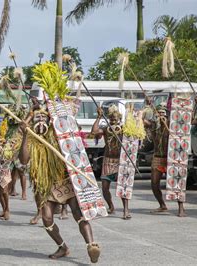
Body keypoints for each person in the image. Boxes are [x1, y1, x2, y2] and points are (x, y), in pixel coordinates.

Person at [19, 101, 100, 263]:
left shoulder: (58, 135)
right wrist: (25, 134)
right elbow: (24, 160)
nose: (40, 120)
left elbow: (73, 146)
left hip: (65, 180)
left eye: (44, 117)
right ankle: (62, 247)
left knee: (78, 214)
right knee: (47, 219)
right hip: (45, 184)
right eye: (37, 117)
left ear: (49, 120)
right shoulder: (30, 140)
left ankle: (92, 245)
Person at [144, 102, 186, 217]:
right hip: (158, 157)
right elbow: (143, 122)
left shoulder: (173, 125)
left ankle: (181, 208)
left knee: (177, 183)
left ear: (167, 115)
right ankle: (162, 205)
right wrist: (144, 111)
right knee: (154, 183)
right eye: (159, 114)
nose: (161, 116)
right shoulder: (154, 126)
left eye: (163, 113)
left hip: (172, 157)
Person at [91, 105, 123, 215]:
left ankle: (125, 208)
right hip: (108, 160)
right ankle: (111, 206)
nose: (113, 121)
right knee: (104, 187)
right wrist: (99, 117)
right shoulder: (106, 129)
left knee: (122, 186)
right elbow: (94, 132)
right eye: (111, 119)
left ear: (119, 119)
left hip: (120, 161)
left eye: (116, 119)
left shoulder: (123, 129)